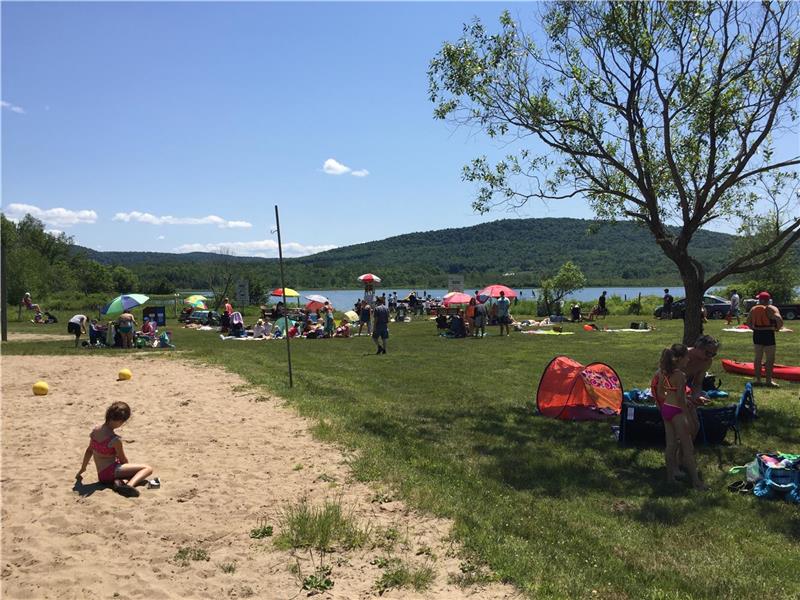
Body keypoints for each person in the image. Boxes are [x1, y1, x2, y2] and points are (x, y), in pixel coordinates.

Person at [651, 344, 706, 490]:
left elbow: (661, 393)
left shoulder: (663, 373)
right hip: (677, 411)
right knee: (688, 447)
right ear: (680, 359)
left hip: (666, 409)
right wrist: (687, 413)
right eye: (687, 357)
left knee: (670, 445)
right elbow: (681, 400)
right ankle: (696, 481)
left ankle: (670, 477)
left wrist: (672, 397)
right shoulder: (680, 375)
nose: (689, 359)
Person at [76, 401, 155, 497]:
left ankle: (120, 482)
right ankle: (128, 486)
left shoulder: (95, 431)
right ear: (120, 421)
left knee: (132, 472)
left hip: (101, 476)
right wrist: (129, 469)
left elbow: (89, 451)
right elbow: (123, 460)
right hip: (111, 472)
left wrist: (83, 468)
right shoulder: (114, 440)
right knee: (147, 469)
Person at [683, 335, 720, 440]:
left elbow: (697, 383)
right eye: (708, 353)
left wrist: (696, 395)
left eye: (713, 354)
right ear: (698, 347)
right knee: (690, 418)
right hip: (671, 387)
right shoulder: (683, 356)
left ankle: (689, 443)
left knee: (695, 420)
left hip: (685, 387)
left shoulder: (707, 362)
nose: (710, 356)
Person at [747, 291, 784, 388]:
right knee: (770, 359)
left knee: (758, 358)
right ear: (768, 300)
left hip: (757, 334)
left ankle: (758, 380)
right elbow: (779, 319)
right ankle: (768, 381)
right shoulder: (772, 308)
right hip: (768, 334)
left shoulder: (753, 309)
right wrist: (777, 329)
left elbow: (748, 322)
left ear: (760, 300)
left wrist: (755, 328)